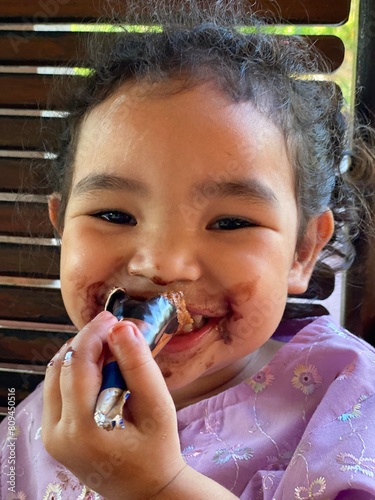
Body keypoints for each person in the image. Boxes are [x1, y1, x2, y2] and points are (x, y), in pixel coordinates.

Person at [1, 3, 375, 499]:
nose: (162, 265)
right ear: (62, 229)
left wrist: (159, 488)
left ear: (302, 251)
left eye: (230, 222)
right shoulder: (44, 415)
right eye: (114, 215)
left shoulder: (348, 397)